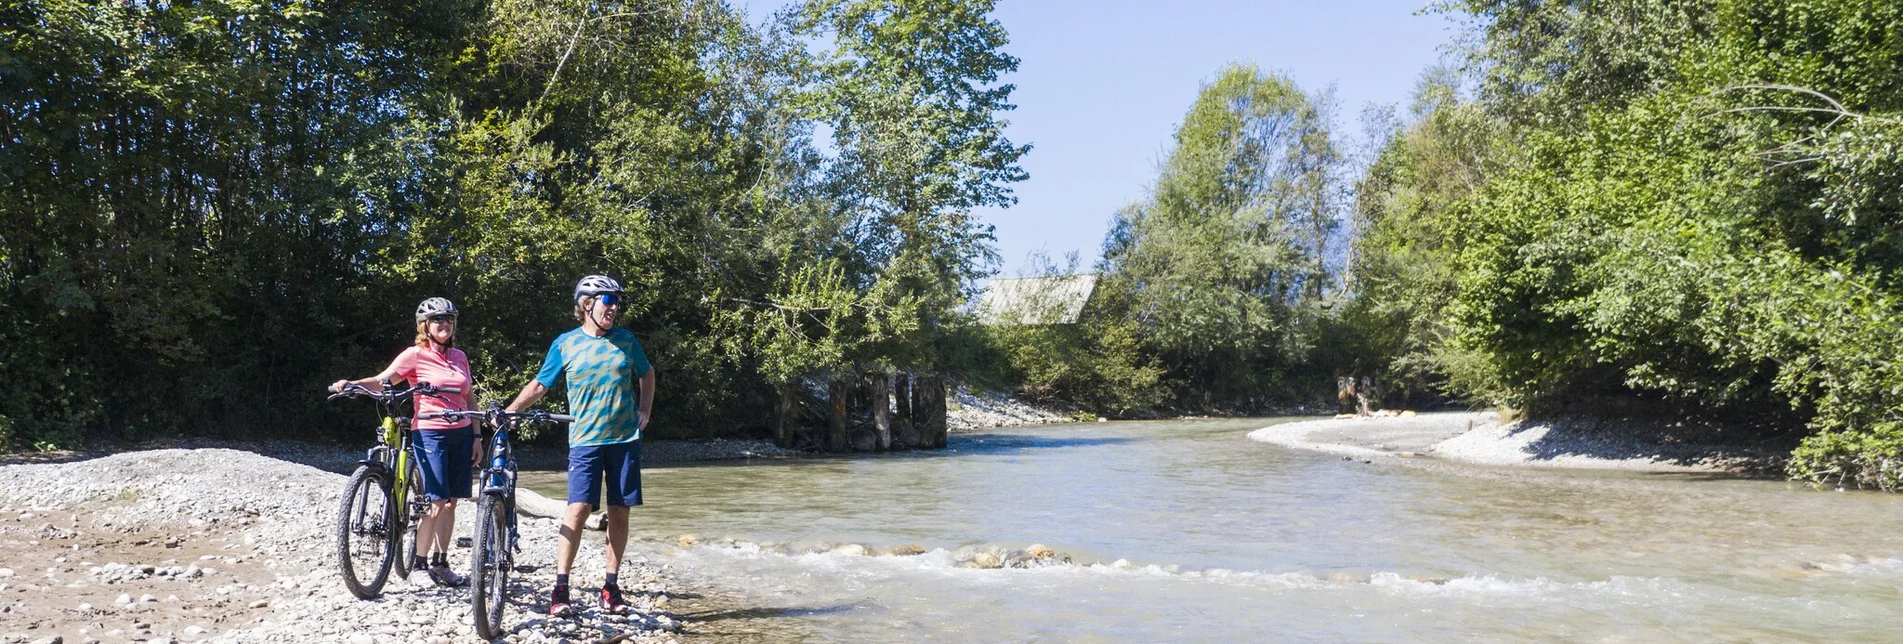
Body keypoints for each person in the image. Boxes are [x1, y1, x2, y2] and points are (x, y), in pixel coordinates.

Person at [505, 274, 655, 617]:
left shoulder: (626, 341)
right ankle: (561, 588)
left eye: (617, 301)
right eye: (608, 300)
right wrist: (512, 409)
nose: (614, 307)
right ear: (586, 304)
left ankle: (611, 587)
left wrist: (645, 409)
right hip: (586, 440)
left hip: (625, 440)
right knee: (578, 509)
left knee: (620, 510)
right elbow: (541, 385)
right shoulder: (565, 343)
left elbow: (647, 373)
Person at [330, 297, 476, 588]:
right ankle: (419, 565)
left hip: (461, 431)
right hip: (430, 431)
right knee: (436, 500)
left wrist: (477, 435)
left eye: (448, 319)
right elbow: (383, 380)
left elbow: (469, 397)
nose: (444, 324)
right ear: (426, 326)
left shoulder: (459, 356)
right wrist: (353, 385)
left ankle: (441, 562)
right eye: (438, 320)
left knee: (451, 503)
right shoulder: (415, 355)